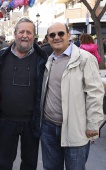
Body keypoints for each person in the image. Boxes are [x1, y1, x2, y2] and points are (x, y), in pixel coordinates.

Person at [40, 22, 104, 170]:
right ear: (48, 38)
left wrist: (93, 124)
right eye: (52, 35)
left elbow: (95, 93)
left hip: (75, 129)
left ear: (68, 36)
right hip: (49, 127)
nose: (57, 37)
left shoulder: (85, 59)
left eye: (61, 33)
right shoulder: (50, 60)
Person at [0, 18, 48, 170]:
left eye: (29, 32)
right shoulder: (1, 57)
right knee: (4, 164)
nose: (25, 35)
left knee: (29, 164)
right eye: (21, 32)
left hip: (31, 122)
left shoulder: (42, 58)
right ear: (15, 34)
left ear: (34, 35)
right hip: (6, 122)